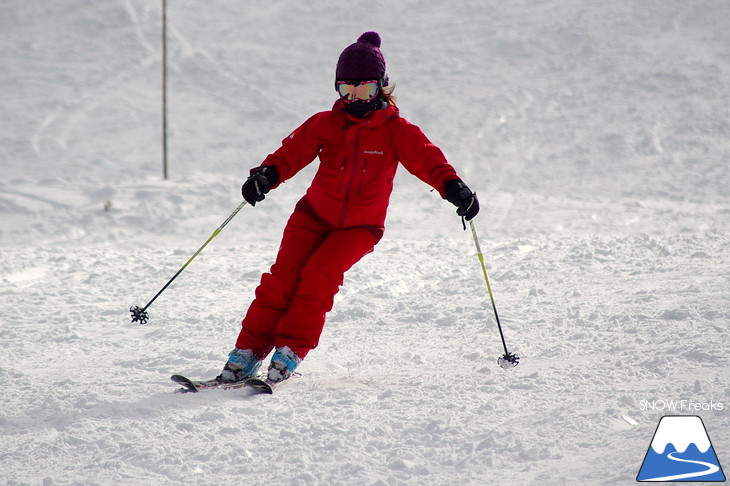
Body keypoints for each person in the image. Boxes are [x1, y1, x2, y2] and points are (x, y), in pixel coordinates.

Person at [216, 31, 479, 385]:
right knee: (281, 281)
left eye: (366, 90)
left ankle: (289, 351)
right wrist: (267, 174)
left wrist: (454, 188)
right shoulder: (326, 123)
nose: (355, 98)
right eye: (346, 89)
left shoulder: (396, 131)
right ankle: (247, 352)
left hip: (359, 228)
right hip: (312, 216)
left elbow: (428, 161)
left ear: (381, 87)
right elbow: (291, 152)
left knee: (318, 278)